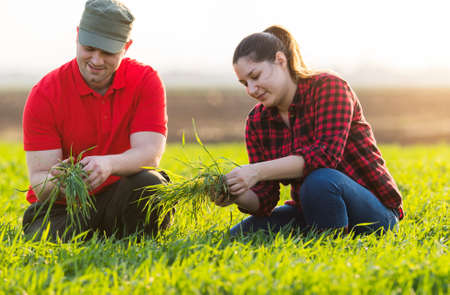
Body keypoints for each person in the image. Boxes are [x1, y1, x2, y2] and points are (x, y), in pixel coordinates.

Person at [213, 25, 404, 236]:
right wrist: (236, 192)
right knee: (243, 233)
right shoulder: (258, 121)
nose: (250, 89)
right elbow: (264, 200)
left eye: (255, 76)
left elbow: (325, 155)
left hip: (373, 214)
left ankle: (330, 248)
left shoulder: (329, 87)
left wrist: (255, 171)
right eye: (244, 83)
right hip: (311, 211)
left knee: (320, 180)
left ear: (280, 60)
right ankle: (321, 234)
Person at [22, 0, 172, 241]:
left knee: (149, 183)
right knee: (44, 231)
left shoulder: (146, 81)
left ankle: (113, 233)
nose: (97, 60)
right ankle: (111, 234)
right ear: (78, 36)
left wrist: (108, 165)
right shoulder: (45, 93)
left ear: (126, 46)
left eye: (108, 52)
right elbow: (39, 181)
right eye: (89, 48)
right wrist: (58, 181)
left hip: (121, 194)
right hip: (66, 208)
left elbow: (149, 154)